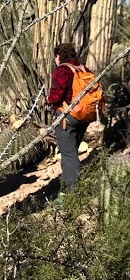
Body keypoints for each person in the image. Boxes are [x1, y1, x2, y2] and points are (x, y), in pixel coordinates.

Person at [47, 43, 90, 190]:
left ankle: (73, 193)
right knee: (72, 152)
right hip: (84, 116)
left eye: (56, 56)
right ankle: (66, 189)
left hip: (68, 116)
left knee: (68, 155)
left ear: (59, 56)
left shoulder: (62, 70)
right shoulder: (83, 69)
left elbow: (56, 97)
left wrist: (48, 99)